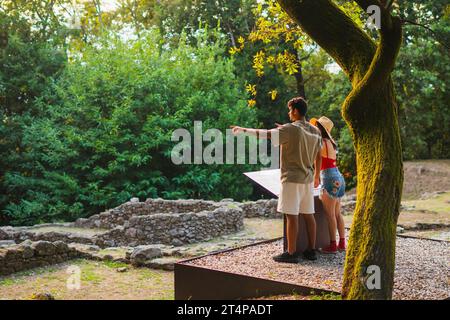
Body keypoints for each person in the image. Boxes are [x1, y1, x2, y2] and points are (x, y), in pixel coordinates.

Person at [231, 97, 322, 263]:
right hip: (308, 180)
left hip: (292, 179)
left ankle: (291, 252)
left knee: (291, 216)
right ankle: (311, 251)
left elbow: (264, 134)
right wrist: (316, 176)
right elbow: (318, 154)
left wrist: (242, 129)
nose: (289, 113)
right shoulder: (315, 131)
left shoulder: (290, 129)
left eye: (290, 110)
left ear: (295, 111)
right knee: (309, 215)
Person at [310, 116, 346, 254]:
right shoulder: (331, 143)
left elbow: (317, 160)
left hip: (328, 178)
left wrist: (316, 177)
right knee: (337, 214)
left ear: (320, 129)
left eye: (316, 126)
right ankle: (342, 243)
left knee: (330, 215)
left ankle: (332, 245)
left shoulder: (321, 142)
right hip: (338, 177)